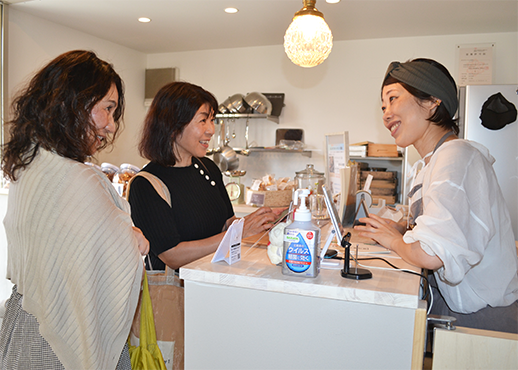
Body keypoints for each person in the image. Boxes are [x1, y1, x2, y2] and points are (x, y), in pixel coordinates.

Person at [0, 50, 149, 369]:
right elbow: (127, 254)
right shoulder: (81, 179)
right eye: (107, 109)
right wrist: (134, 237)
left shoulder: (29, 167)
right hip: (64, 335)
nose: (110, 126)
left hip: (23, 325)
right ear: (75, 104)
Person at [356, 58, 518, 333]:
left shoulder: (456, 157)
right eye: (383, 106)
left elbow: (432, 254)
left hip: (484, 321)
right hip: (463, 306)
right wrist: (404, 229)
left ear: (432, 101)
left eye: (393, 99)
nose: (385, 114)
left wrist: (395, 241)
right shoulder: (433, 162)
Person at [128, 81, 283, 271]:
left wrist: (260, 221)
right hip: (180, 294)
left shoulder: (208, 167)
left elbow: (227, 223)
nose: (211, 129)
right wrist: (239, 232)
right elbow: (172, 255)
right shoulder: (146, 184)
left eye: (212, 120)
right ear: (173, 125)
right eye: (203, 121)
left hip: (215, 279)